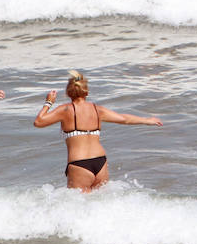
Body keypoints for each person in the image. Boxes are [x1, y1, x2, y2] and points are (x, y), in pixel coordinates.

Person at [32, 71, 162, 191]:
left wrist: (49, 102)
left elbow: (39, 122)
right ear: (86, 92)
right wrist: (147, 120)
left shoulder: (65, 110)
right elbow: (124, 119)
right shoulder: (97, 110)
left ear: (68, 93)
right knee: (100, 205)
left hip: (79, 163)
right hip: (100, 162)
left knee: (80, 209)